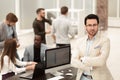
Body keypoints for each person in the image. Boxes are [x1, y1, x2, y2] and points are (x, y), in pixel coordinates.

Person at [71, 14, 113, 80]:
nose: (92, 28)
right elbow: (73, 61)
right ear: (85, 26)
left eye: (94, 25)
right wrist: (89, 67)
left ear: (98, 25)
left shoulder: (105, 41)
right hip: (82, 77)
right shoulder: (79, 41)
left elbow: (101, 61)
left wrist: (82, 59)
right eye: (89, 25)